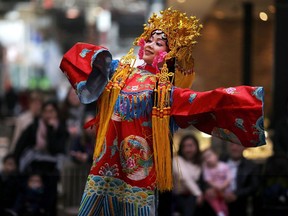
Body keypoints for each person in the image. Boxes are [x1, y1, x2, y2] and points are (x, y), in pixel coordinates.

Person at [59, 8, 265, 215]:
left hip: (138, 169)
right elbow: (80, 58)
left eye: (159, 44)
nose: (150, 45)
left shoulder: (165, 90)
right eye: (149, 40)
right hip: (106, 163)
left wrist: (245, 101)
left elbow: (203, 102)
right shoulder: (120, 71)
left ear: (169, 55)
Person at [14, 100, 69, 216]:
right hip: (35, 167)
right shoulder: (34, 127)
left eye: (51, 111)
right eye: (46, 111)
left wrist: (51, 131)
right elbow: (20, 145)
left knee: (50, 199)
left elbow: (55, 149)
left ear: (56, 112)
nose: (49, 114)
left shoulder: (61, 128)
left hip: (52, 169)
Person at [222, 143, 259, 216]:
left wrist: (236, 194)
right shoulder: (220, 162)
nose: (234, 148)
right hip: (219, 199)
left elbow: (254, 187)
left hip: (240, 203)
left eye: (238, 145)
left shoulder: (251, 166)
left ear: (244, 147)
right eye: (232, 145)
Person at [173, 134, 203, 216]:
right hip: (179, 199)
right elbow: (184, 177)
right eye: (184, 146)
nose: (187, 149)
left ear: (196, 146)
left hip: (196, 201)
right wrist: (198, 193)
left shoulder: (200, 162)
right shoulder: (177, 160)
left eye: (190, 145)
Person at [202, 148, 231, 216]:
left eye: (209, 156)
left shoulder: (224, 166)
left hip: (225, 189)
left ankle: (224, 212)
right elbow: (208, 180)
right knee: (210, 197)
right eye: (205, 158)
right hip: (214, 190)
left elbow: (229, 178)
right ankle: (219, 212)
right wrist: (217, 187)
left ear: (216, 155)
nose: (207, 159)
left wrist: (223, 186)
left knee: (223, 203)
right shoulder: (206, 168)